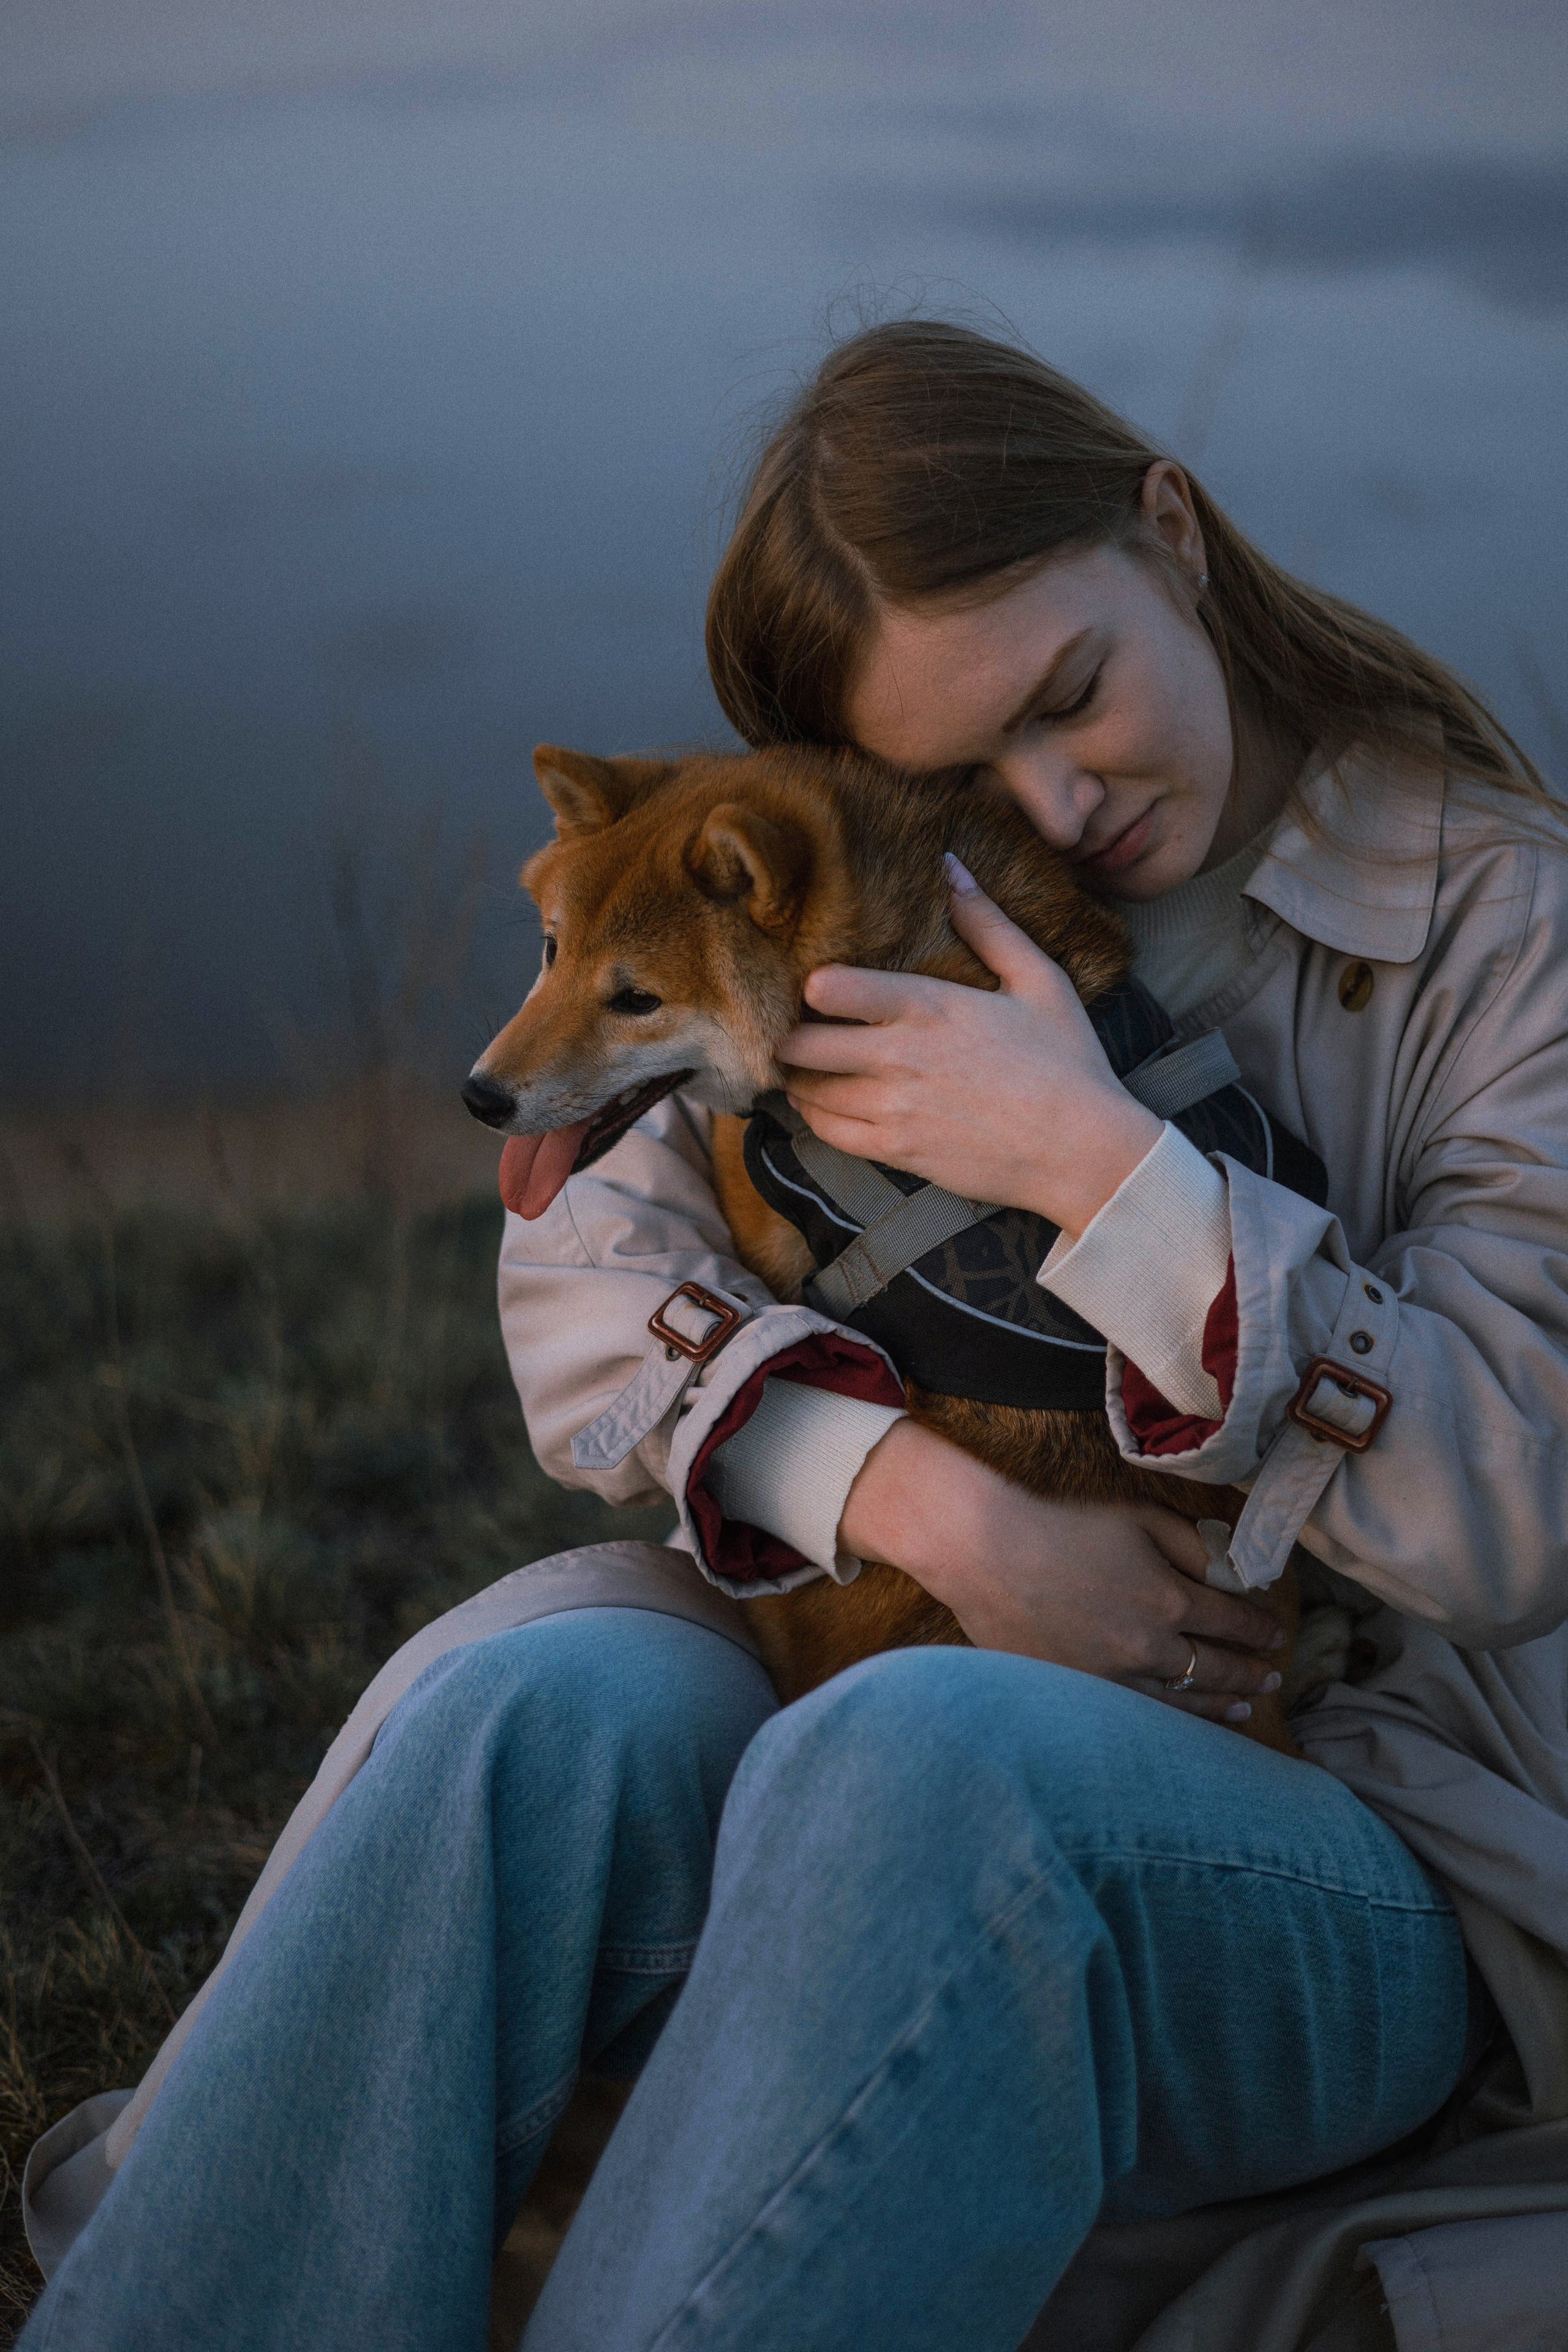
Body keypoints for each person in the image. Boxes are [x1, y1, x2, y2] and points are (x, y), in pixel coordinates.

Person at [21, 321, 1568, 2352]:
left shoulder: (1502, 927)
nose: (1054, 799)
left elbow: (1518, 1506)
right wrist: (935, 1509)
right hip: (885, 1659)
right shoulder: (836, 874)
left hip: (1372, 1838)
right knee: (528, 1709)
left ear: (1170, 533)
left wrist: (1107, 1172)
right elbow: (581, 1264)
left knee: (924, 1762)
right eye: (957, 773)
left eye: (1071, 694)